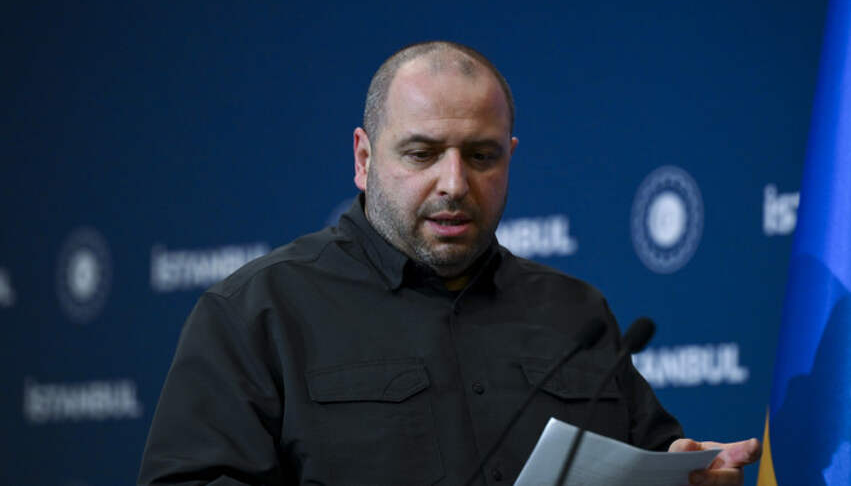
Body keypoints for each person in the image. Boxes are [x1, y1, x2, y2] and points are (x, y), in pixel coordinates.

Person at [138, 41, 760, 485]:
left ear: (510, 157)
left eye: (482, 156)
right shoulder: (257, 313)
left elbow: (651, 452)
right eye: (422, 153)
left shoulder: (575, 313)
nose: (455, 183)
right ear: (363, 159)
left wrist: (682, 467)